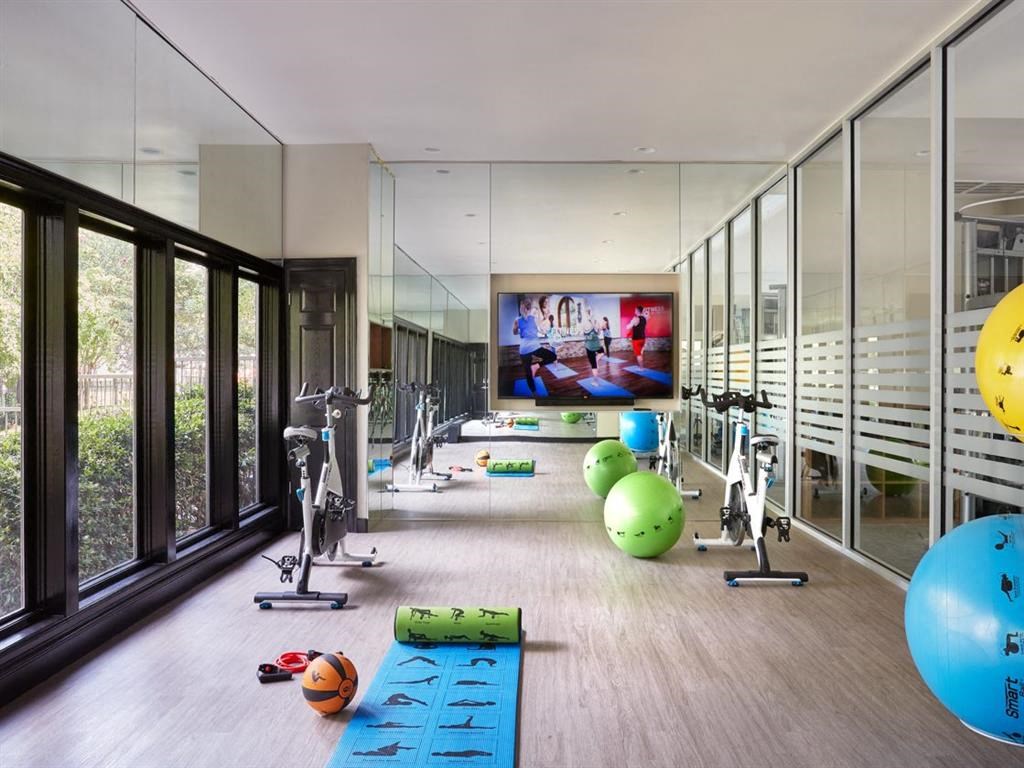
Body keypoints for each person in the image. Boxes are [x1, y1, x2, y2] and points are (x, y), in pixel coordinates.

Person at [512, 296, 556, 394]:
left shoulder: (517, 320)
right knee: (553, 356)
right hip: (535, 347)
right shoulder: (533, 319)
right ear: (530, 307)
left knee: (528, 372)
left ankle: (534, 392)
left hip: (524, 349)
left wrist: (519, 329)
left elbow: (515, 333)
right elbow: (543, 331)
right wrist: (547, 319)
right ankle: (536, 366)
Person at [581, 305, 604, 383]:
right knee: (601, 351)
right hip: (597, 344)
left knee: (593, 365)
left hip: (590, 346)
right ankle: (596, 359)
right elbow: (598, 332)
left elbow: (585, 334)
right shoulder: (596, 321)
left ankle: (596, 382)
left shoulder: (585, 322)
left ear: (586, 313)